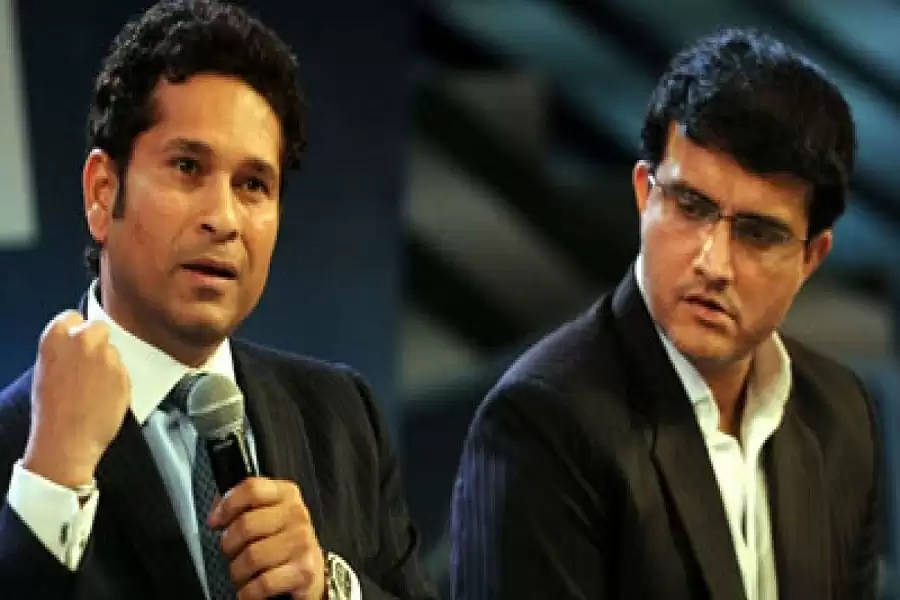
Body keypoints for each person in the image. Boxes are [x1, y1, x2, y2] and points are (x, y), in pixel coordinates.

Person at [0, 2, 435, 599]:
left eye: (253, 184)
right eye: (187, 167)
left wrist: (328, 587)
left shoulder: (342, 417)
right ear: (102, 193)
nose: (223, 219)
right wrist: (54, 483)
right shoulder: (17, 443)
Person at [450, 27, 882, 600]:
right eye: (690, 206)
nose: (713, 263)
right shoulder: (546, 419)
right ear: (643, 193)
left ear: (811, 258)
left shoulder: (842, 414)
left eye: (757, 233)